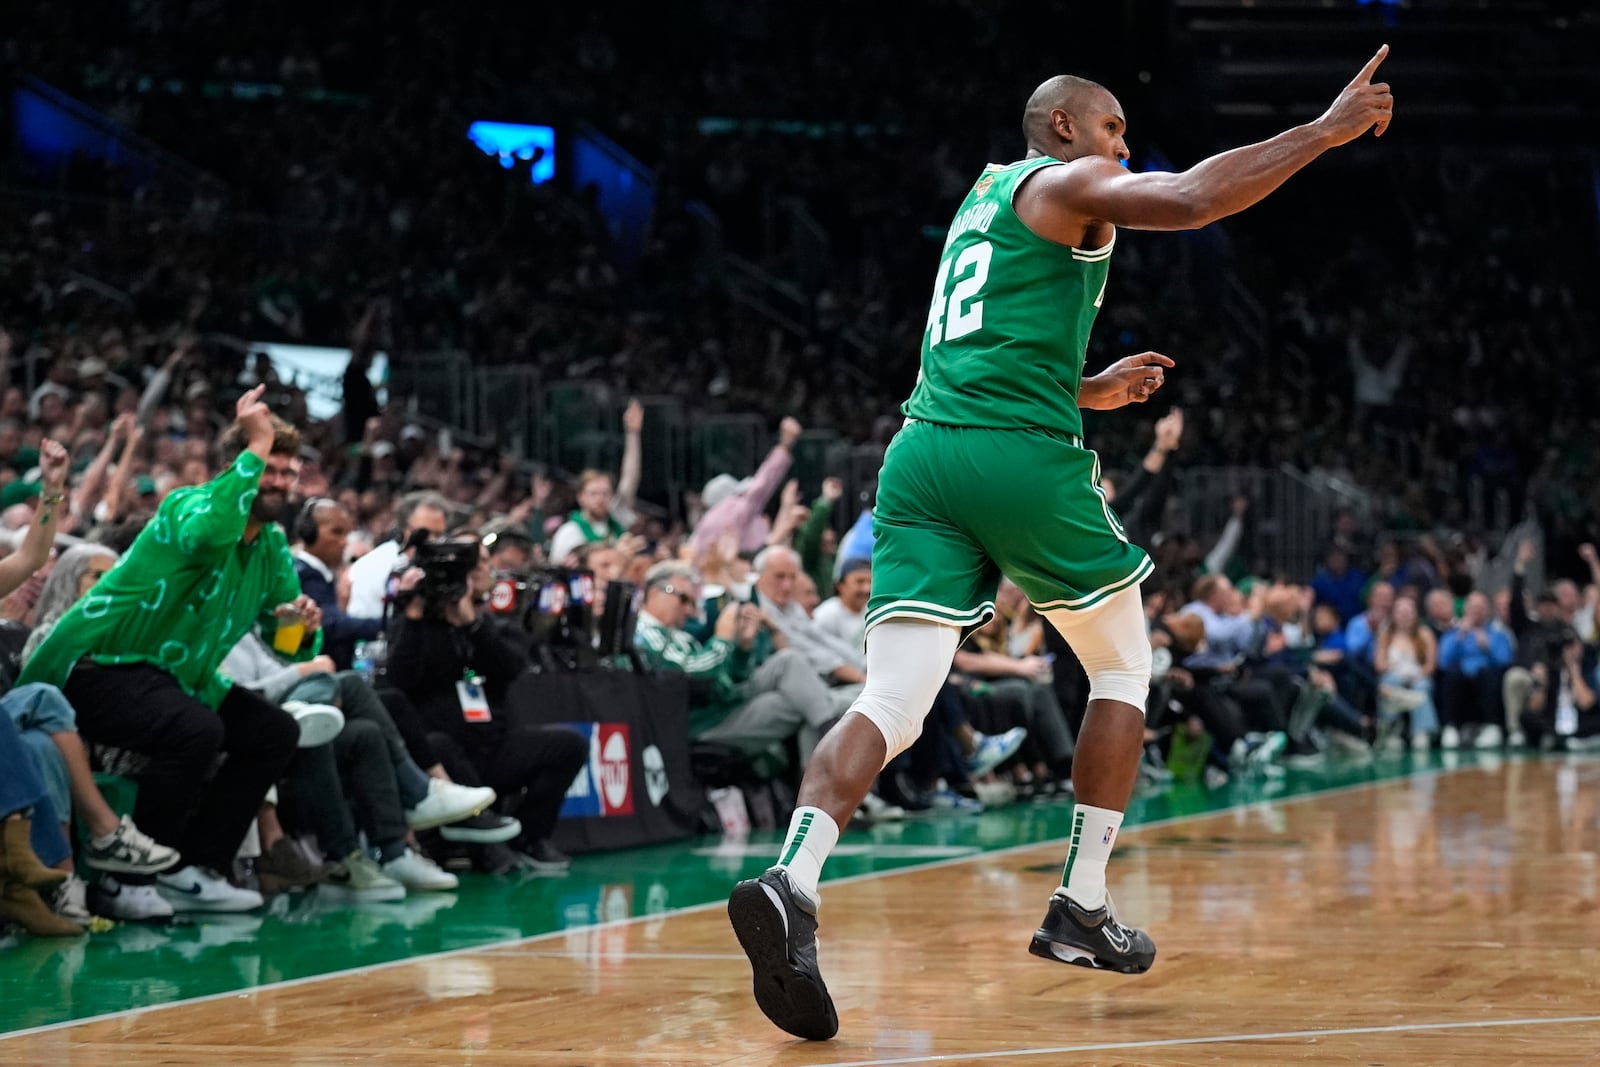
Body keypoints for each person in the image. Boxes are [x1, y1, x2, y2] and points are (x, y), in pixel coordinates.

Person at [727, 49, 1396, 1040]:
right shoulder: (1069, 177)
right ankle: (1080, 899)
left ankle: (793, 876)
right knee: (1124, 665)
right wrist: (1322, 131)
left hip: (920, 456)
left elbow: (982, 349)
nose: (1125, 148)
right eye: (1115, 129)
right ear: (1068, 128)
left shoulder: (982, 202)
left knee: (890, 697)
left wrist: (1082, 386)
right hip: (1013, 459)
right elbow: (1195, 197)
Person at [19, 386, 318, 916]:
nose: (279, 481)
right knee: (196, 728)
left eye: (289, 474)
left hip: (174, 676)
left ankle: (195, 867)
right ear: (238, 466)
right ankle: (124, 881)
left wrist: (297, 625)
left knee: (274, 731)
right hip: (95, 664)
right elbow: (209, 537)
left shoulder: (271, 546)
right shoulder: (190, 504)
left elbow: (282, 641)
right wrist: (258, 439)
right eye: (269, 467)